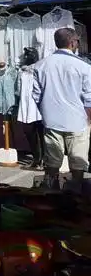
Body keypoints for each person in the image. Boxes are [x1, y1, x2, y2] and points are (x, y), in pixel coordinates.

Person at [32, 28, 91, 191]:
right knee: (77, 162)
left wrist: (47, 112)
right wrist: (88, 121)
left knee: (52, 162)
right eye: (77, 41)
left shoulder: (40, 65)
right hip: (77, 122)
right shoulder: (83, 66)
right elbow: (89, 98)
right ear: (72, 43)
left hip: (52, 121)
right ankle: (76, 194)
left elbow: (36, 96)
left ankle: (51, 193)